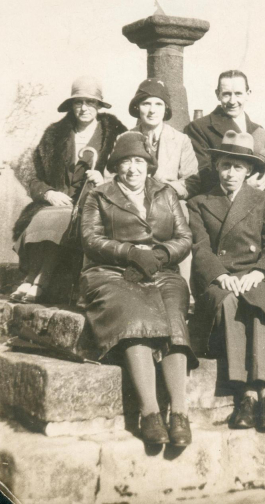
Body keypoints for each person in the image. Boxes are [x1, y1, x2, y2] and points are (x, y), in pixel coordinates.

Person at [80, 131, 197, 447]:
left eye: (139, 161)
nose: (133, 168)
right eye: (125, 162)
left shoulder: (165, 193)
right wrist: (130, 252)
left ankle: (180, 414)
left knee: (174, 316)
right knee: (133, 315)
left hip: (161, 272)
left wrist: (159, 255)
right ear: (115, 166)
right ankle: (149, 413)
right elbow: (90, 238)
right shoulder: (99, 195)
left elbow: (184, 238)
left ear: (149, 164)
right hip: (111, 272)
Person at [187, 131, 265, 431]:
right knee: (231, 300)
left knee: (259, 298)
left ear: (249, 171)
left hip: (261, 273)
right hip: (221, 276)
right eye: (225, 165)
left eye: (238, 167)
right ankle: (245, 394)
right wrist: (220, 274)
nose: (230, 173)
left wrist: (259, 273)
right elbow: (200, 247)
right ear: (217, 167)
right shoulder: (199, 203)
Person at [11, 76, 127, 303]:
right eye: (78, 103)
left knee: (60, 219)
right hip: (57, 202)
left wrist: (104, 178)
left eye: (90, 102)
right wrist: (48, 193)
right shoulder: (54, 135)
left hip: (95, 202)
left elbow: (128, 173)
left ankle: (38, 282)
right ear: (71, 106)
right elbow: (32, 176)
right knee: (43, 216)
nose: (84, 108)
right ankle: (30, 279)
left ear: (99, 106)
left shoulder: (116, 134)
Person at [184, 69, 265, 214]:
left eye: (238, 94)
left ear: (248, 94)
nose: (233, 101)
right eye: (227, 94)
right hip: (222, 207)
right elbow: (201, 176)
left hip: (260, 203)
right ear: (218, 95)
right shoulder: (199, 128)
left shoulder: (258, 130)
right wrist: (244, 185)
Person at [129, 78, 199, 200]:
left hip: (168, 204)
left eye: (158, 104)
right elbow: (112, 177)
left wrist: (165, 190)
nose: (152, 110)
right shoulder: (125, 138)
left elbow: (191, 181)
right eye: (146, 104)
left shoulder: (181, 140)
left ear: (166, 108)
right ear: (137, 107)